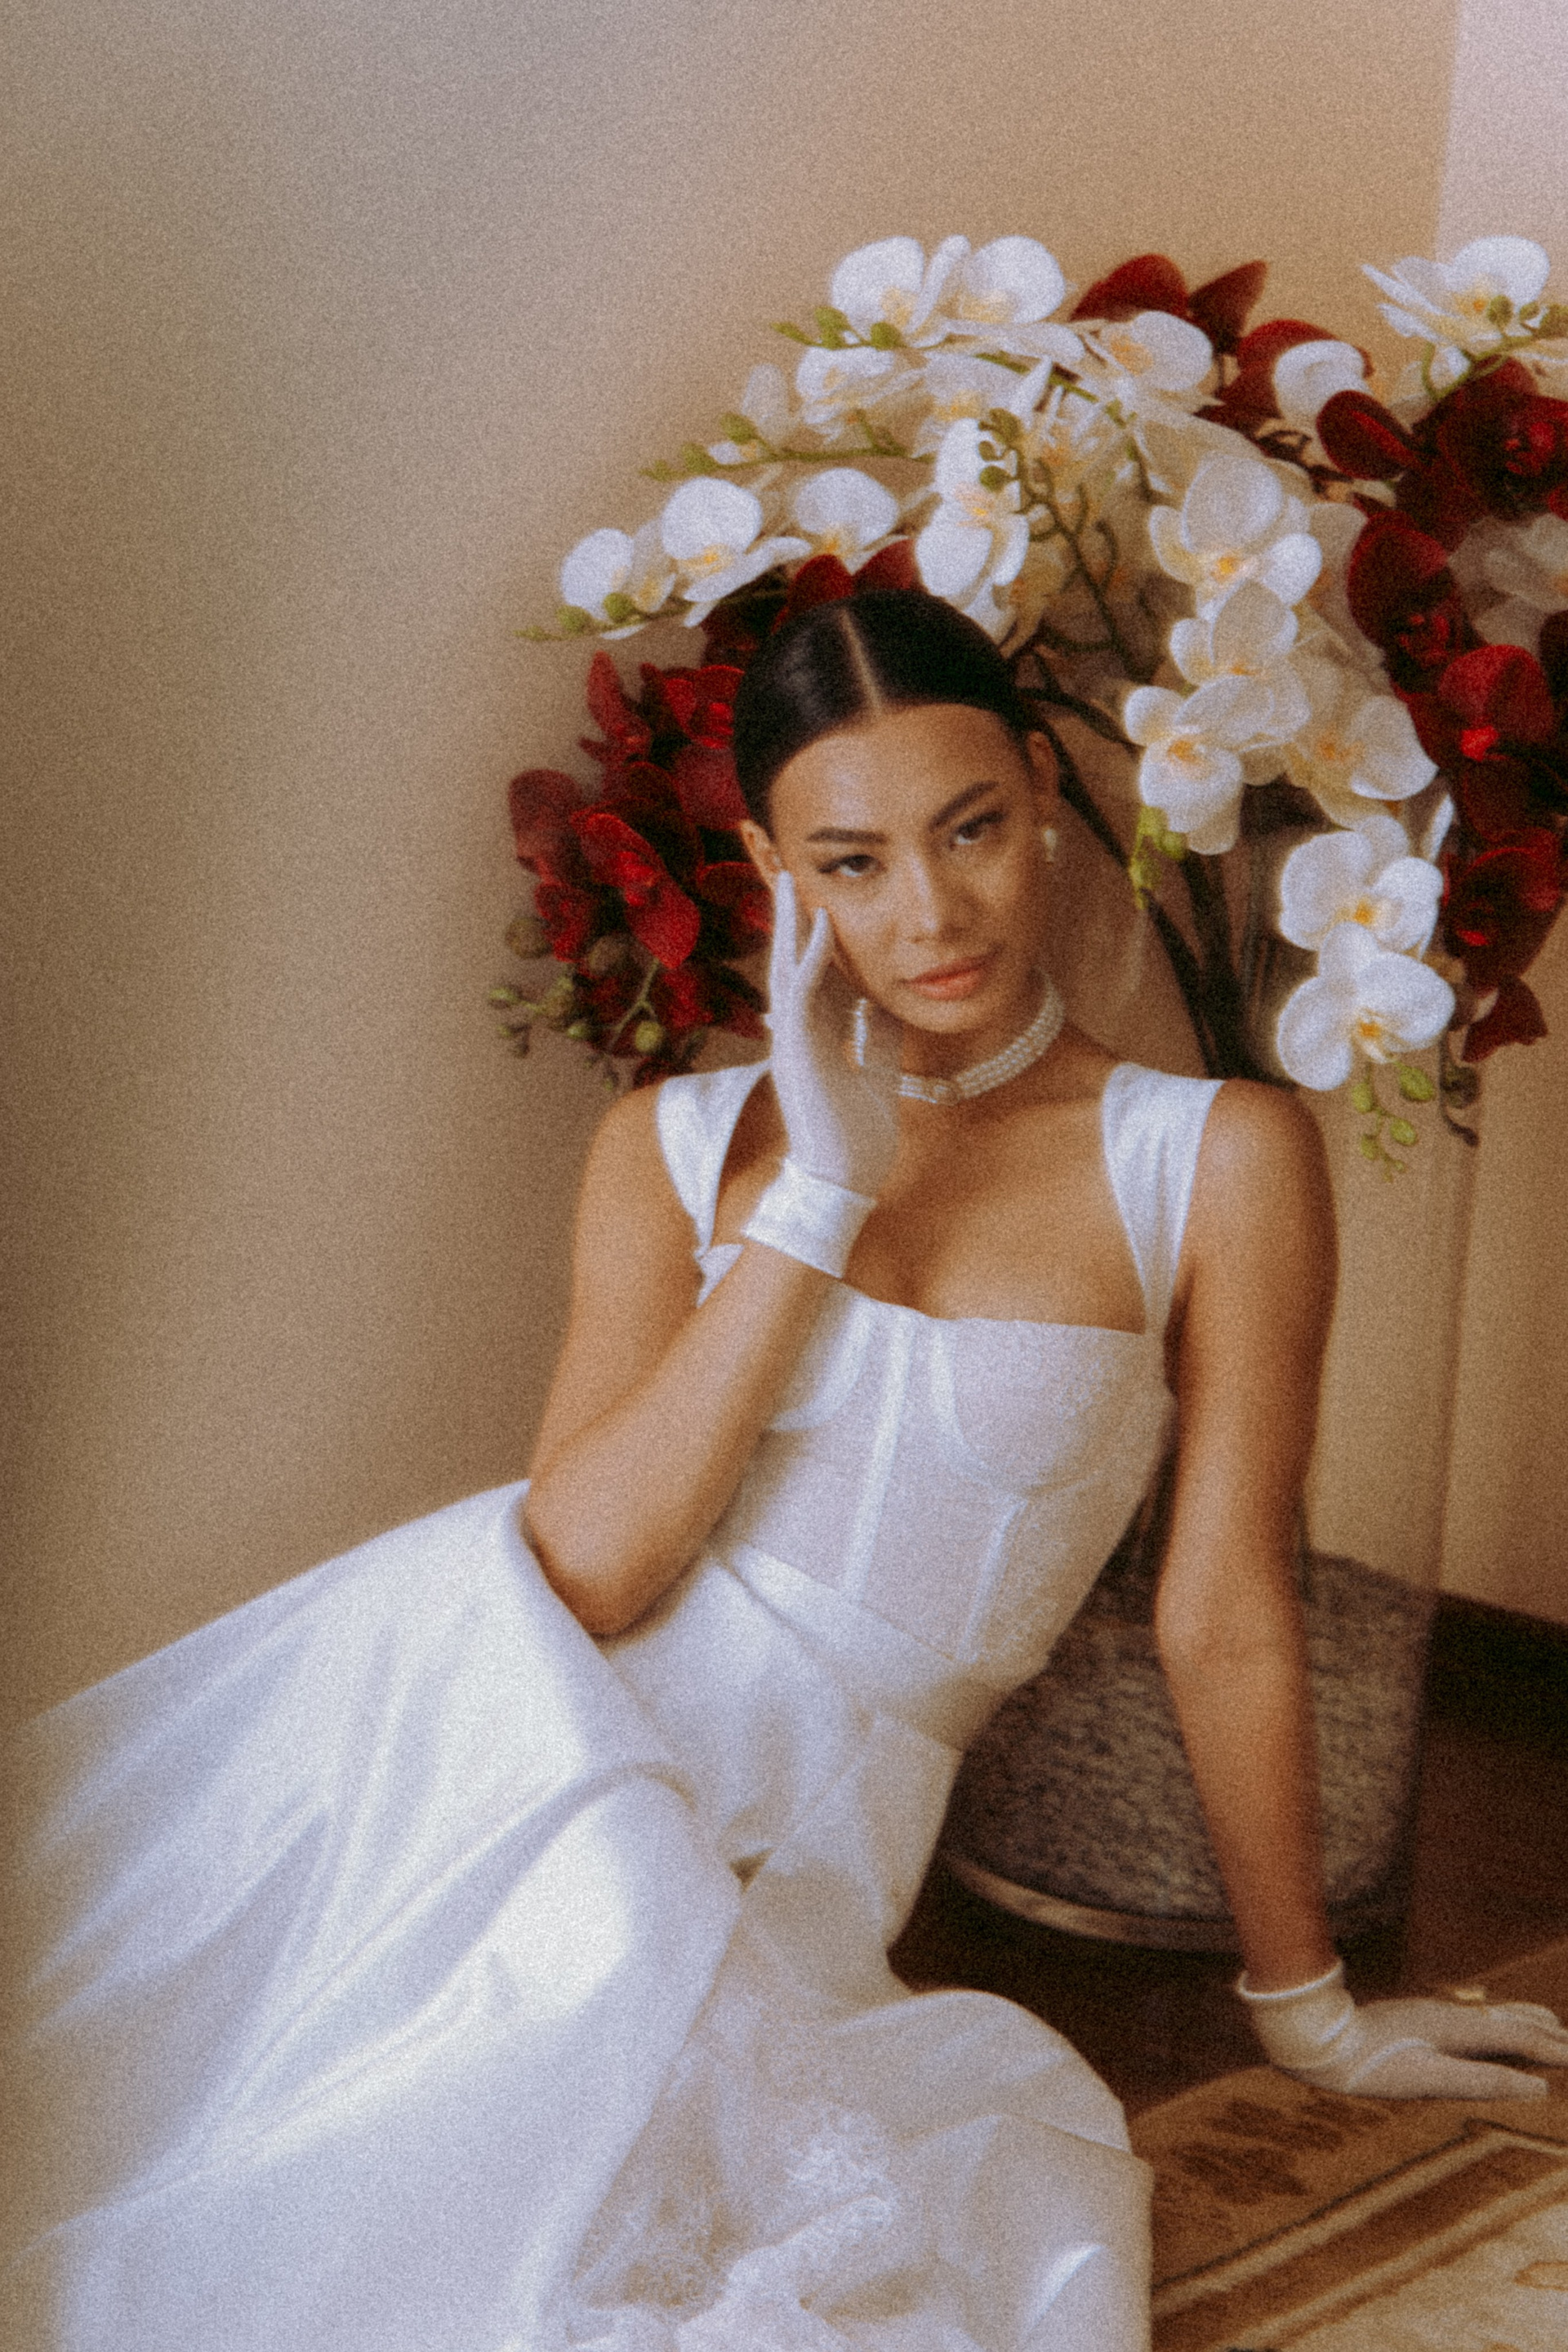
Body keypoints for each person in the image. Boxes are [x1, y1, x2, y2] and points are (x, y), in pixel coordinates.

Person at [8, 590, 1566, 2352]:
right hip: (504, 1714)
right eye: (852, 863)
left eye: (971, 829)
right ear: (770, 869)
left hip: (803, 1851)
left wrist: (1312, 2012)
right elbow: (586, 1569)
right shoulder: (672, 1147)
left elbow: (1223, 1610)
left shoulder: (1211, 1156)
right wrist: (818, 1191)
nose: (931, 913)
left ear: (1045, 791)